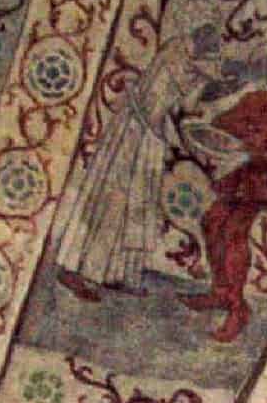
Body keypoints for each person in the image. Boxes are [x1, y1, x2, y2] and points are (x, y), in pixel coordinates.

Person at [56, 17, 223, 301]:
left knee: (138, 208)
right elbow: (174, 92)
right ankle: (79, 271)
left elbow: (179, 103)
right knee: (111, 204)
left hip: (149, 136)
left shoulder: (183, 59)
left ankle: (120, 275)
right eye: (208, 50)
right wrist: (206, 78)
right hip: (134, 132)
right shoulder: (176, 56)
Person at [179, 53, 267, 341]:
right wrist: (212, 131)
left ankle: (238, 308)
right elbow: (226, 123)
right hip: (235, 172)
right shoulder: (253, 98)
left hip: (257, 177)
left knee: (234, 233)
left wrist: (258, 148)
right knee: (212, 223)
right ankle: (220, 291)